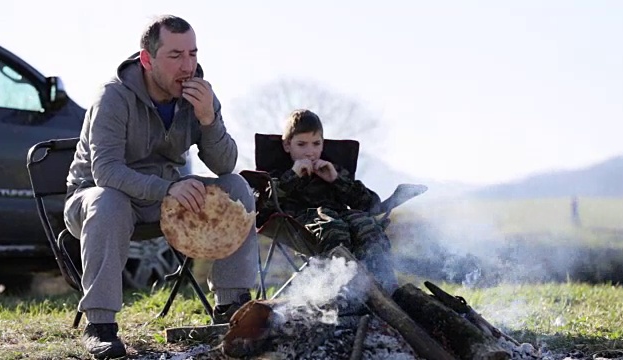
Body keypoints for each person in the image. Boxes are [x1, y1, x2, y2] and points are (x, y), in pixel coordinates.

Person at [64, 15, 257, 359]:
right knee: (108, 202)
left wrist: (208, 120)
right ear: (147, 59)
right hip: (96, 199)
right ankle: (101, 325)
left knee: (236, 187)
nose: (187, 66)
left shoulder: (199, 94)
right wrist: (168, 189)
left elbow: (225, 164)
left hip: (163, 197)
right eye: (175, 56)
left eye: (193, 54)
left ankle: (232, 308)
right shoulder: (113, 96)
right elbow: (105, 171)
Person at [258, 109, 398, 296]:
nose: (310, 152)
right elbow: (262, 211)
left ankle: (385, 290)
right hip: (300, 223)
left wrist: (336, 179)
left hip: (341, 216)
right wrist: (292, 176)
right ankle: (338, 293)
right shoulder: (277, 175)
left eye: (316, 144)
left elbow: (370, 204)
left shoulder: (331, 169)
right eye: (301, 144)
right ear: (287, 145)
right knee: (333, 226)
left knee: (367, 225)